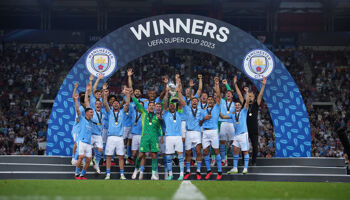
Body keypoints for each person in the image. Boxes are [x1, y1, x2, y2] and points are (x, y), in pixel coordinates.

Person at [234, 76, 266, 165]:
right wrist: (235, 84)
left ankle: (254, 161)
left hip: (254, 129)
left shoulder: (256, 104)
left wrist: (263, 85)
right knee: (244, 148)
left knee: (255, 147)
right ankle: (245, 162)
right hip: (245, 129)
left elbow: (260, 95)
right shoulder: (244, 104)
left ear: (254, 97)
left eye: (251, 96)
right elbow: (239, 94)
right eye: (249, 95)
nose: (250, 97)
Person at [102, 84, 131, 180]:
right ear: (112, 105)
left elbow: (127, 104)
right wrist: (105, 94)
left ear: (119, 105)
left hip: (119, 138)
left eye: (117, 103)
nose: (115, 104)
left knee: (121, 157)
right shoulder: (109, 112)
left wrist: (127, 95)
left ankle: (122, 174)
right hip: (110, 137)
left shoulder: (122, 112)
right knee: (109, 157)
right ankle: (108, 174)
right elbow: (105, 103)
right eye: (114, 103)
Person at [132, 92, 163, 180]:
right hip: (145, 137)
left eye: (153, 106)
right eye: (150, 105)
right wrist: (132, 95)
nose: (152, 107)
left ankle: (153, 174)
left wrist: (160, 136)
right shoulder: (144, 113)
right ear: (147, 106)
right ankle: (136, 169)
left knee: (154, 155)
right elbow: (137, 103)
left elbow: (159, 127)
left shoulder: (157, 116)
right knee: (141, 155)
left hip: (154, 138)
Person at [199, 77, 223, 180]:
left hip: (213, 132)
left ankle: (220, 171)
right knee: (205, 152)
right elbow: (199, 123)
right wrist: (204, 118)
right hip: (205, 132)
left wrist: (217, 83)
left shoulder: (217, 108)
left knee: (216, 151)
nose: (209, 100)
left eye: (211, 99)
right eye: (208, 99)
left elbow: (218, 95)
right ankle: (209, 170)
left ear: (213, 102)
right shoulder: (203, 110)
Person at [163, 86, 185, 180]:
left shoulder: (179, 113)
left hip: (178, 137)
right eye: (170, 105)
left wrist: (177, 92)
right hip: (168, 137)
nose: (172, 105)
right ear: (168, 106)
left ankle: (181, 174)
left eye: (173, 104)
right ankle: (170, 174)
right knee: (168, 158)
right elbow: (164, 102)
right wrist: (167, 94)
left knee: (180, 157)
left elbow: (180, 104)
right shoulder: (166, 113)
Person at [73, 86, 94, 180]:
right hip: (82, 141)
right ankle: (76, 174)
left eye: (92, 113)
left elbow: (87, 102)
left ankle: (82, 175)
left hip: (89, 143)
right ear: (86, 113)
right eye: (90, 113)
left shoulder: (91, 121)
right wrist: (76, 100)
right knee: (81, 157)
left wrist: (87, 91)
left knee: (89, 160)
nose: (92, 114)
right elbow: (78, 109)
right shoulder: (81, 119)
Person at [228, 94, 250, 174]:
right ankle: (235, 168)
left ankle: (245, 168)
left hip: (243, 134)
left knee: (245, 151)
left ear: (241, 106)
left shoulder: (244, 111)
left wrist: (247, 93)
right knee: (235, 151)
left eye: (238, 105)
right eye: (236, 105)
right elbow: (224, 116)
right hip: (236, 135)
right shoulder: (233, 114)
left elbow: (247, 102)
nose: (237, 106)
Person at [183, 96, 203, 180]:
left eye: (196, 101)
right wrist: (179, 91)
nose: (194, 102)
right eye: (193, 101)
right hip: (188, 132)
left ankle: (198, 171)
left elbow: (202, 121)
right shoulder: (187, 109)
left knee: (198, 151)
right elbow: (181, 99)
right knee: (188, 153)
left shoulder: (201, 111)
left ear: (198, 103)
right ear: (191, 102)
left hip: (197, 132)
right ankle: (188, 171)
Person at [219, 79, 235, 167]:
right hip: (223, 124)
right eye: (227, 93)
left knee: (233, 142)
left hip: (231, 124)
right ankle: (223, 160)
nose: (228, 94)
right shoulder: (222, 102)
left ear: (232, 96)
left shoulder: (235, 104)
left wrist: (227, 85)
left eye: (230, 93)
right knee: (222, 142)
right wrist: (223, 85)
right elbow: (218, 94)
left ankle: (233, 159)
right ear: (225, 96)